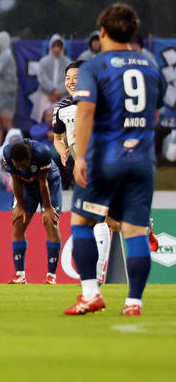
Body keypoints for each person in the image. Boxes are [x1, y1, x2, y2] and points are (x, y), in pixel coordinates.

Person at [64, 4, 161, 317]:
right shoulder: (150, 65)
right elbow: (156, 113)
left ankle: (91, 294)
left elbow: (86, 111)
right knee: (134, 231)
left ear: (102, 32)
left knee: (81, 221)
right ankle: (134, 302)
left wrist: (79, 156)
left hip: (105, 158)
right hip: (142, 159)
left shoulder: (94, 67)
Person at [51, 59, 117, 280]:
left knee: (93, 217)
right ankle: (141, 226)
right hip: (80, 165)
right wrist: (62, 151)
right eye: (68, 78)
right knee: (99, 218)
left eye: (76, 78)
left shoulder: (100, 101)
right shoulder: (61, 108)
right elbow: (58, 138)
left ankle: (97, 273)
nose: (71, 82)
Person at [1, 139, 63, 285]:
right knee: (18, 222)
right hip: (25, 186)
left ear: (29, 158)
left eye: (23, 165)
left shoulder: (42, 152)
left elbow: (43, 182)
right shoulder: (8, 154)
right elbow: (15, 180)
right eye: (18, 166)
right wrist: (20, 206)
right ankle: (20, 275)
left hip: (49, 183)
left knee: (50, 222)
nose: (21, 168)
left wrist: (48, 208)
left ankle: (51, 275)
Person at [35, 34, 71, 118]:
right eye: (54, 45)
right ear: (50, 46)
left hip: (63, 96)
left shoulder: (68, 63)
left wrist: (59, 93)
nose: (56, 48)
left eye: (59, 46)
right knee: (47, 116)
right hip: (46, 95)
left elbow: (70, 79)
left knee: (61, 118)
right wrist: (52, 91)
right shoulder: (43, 62)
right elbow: (42, 78)